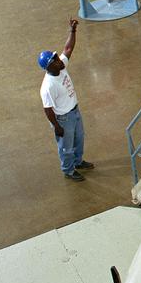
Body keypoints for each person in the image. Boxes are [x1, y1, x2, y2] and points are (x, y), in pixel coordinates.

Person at [38, 19, 94, 181]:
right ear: (49, 67)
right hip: (63, 119)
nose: (59, 60)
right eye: (55, 60)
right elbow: (48, 109)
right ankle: (68, 170)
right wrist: (57, 127)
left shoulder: (60, 67)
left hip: (74, 111)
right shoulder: (48, 87)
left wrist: (72, 30)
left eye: (56, 57)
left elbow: (68, 48)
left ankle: (78, 162)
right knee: (66, 147)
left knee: (79, 139)